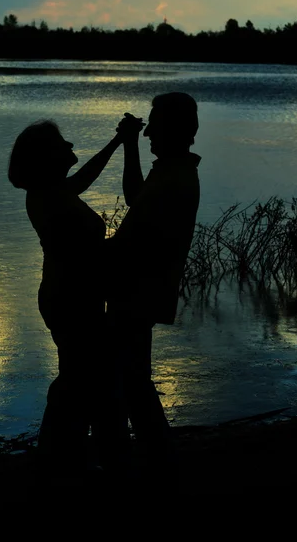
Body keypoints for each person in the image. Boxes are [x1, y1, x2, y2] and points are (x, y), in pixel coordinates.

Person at [8, 119, 128, 477]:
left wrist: (117, 142)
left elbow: (85, 176)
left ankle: (62, 456)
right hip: (70, 300)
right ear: (47, 157)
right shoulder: (49, 197)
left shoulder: (54, 191)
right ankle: (67, 458)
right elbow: (84, 255)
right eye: (65, 147)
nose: (73, 152)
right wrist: (129, 243)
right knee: (83, 380)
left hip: (72, 298)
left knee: (78, 378)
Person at [107, 92, 201, 467]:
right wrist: (129, 145)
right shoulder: (171, 170)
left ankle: (153, 458)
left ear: (172, 129)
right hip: (142, 291)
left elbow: (130, 240)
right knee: (132, 379)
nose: (148, 135)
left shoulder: (174, 178)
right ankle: (153, 456)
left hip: (137, 292)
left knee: (129, 382)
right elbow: (134, 197)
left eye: (153, 126)